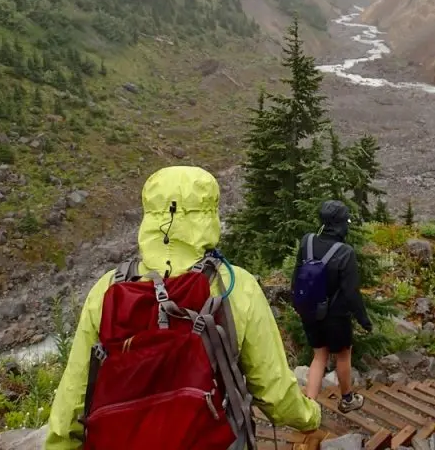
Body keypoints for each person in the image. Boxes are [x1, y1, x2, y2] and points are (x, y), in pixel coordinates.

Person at [45, 166, 320, 450]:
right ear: (209, 213)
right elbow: (274, 392)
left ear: (149, 214)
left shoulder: (107, 288)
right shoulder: (236, 286)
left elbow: (74, 396)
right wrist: (310, 417)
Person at [293, 200, 372, 413]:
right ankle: (347, 399)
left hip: (309, 310)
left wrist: (298, 305)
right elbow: (351, 293)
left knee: (319, 355)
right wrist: (364, 321)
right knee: (343, 355)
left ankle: (309, 408)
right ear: (340, 224)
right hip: (336, 316)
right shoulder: (345, 253)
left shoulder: (307, 241)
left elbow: (297, 276)